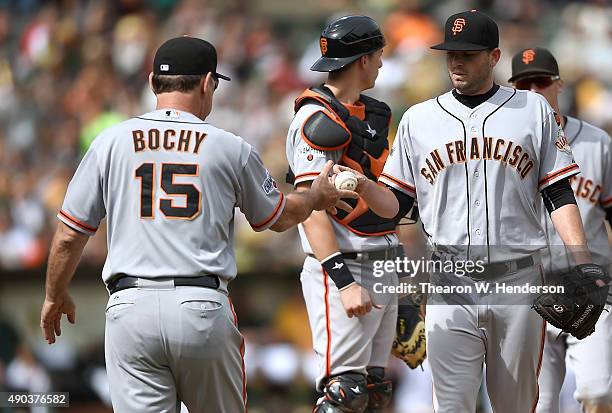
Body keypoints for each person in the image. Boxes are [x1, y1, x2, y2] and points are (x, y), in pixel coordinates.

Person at [39, 36, 355, 413]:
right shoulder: (228, 146)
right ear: (208, 83)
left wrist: (55, 295)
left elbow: (68, 236)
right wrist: (315, 197)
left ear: (154, 81)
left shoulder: (109, 142)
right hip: (201, 307)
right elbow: (278, 217)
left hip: (130, 308)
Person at [335, 10, 606, 413]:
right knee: (451, 406)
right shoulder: (418, 119)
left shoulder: (532, 110)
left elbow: (559, 191)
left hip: (518, 279)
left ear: (494, 56)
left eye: (469, 54)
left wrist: (582, 262)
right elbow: (397, 205)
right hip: (450, 281)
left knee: (515, 406)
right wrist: (363, 184)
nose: (457, 62)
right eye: (450, 54)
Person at [285, 15, 411, 413]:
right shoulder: (316, 118)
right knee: (345, 393)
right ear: (362, 60)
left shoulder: (374, 114)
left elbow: (392, 207)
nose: (380, 64)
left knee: (375, 392)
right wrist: (342, 282)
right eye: (377, 56)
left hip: (383, 261)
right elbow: (310, 210)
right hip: (345, 266)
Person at [509, 47, 612, 413]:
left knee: (598, 393)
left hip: (590, 290)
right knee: (538, 404)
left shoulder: (599, 144)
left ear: (559, 85)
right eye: (524, 83)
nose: (534, 90)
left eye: (541, 81)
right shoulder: (505, 148)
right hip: (530, 292)